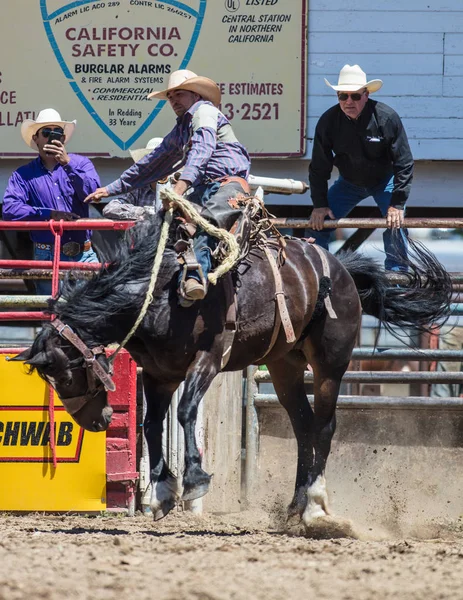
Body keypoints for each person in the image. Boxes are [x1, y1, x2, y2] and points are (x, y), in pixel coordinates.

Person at [85, 69, 251, 304]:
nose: (173, 101)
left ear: (195, 94)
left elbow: (201, 152)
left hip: (229, 184)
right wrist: (111, 189)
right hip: (204, 188)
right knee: (164, 225)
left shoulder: (204, 111)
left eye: (179, 94)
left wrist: (179, 189)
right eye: (170, 97)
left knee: (209, 223)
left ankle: (195, 279)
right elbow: (154, 161)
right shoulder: (182, 127)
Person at [307, 64, 414, 271]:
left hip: (384, 181)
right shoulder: (328, 121)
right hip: (348, 183)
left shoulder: (386, 117)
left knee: (396, 223)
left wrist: (397, 204)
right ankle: (318, 275)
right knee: (316, 224)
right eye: (342, 96)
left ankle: (397, 281)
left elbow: (404, 162)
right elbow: (319, 167)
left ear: (366, 95)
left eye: (355, 96)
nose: (348, 101)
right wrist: (319, 205)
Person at [2, 108, 100, 295]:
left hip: (83, 253)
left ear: (63, 139)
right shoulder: (23, 175)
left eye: (57, 133)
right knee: (52, 315)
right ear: (36, 139)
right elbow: (9, 209)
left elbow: (93, 193)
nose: (51, 138)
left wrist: (67, 163)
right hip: (47, 254)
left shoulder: (81, 164)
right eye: (46, 133)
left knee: (92, 316)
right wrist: (48, 214)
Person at [102, 137, 167, 221]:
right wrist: (143, 212)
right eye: (153, 162)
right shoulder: (139, 189)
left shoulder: (178, 189)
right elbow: (110, 208)